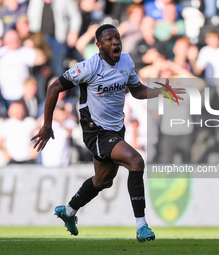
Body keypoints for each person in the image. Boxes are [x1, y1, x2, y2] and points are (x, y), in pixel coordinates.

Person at [31, 24, 185, 242]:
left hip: (115, 130)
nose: (115, 42)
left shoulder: (127, 61)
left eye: (117, 38)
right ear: (98, 44)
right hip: (95, 131)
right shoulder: (88, 67)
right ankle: (142, 226)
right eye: (109, 39)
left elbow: (137, 90)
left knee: (103, 181)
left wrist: (161, 90)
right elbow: (54, 87)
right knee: (136, 161)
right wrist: (47, 125)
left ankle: (69, 210)